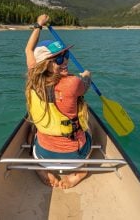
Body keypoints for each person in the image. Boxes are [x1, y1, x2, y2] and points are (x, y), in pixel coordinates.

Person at [25, 14, 92, 189]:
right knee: (87, 121)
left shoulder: (33, 76)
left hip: (43, 155)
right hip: (74, 158)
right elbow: (85, 85)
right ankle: (78, 174)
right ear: (45, 64)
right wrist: (86, 75)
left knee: (33, 129)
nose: (66, 61)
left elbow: (28, 50)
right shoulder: (73, 83)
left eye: (66, 54)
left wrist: (38, 25)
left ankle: (41, 168)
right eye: (59, 59)